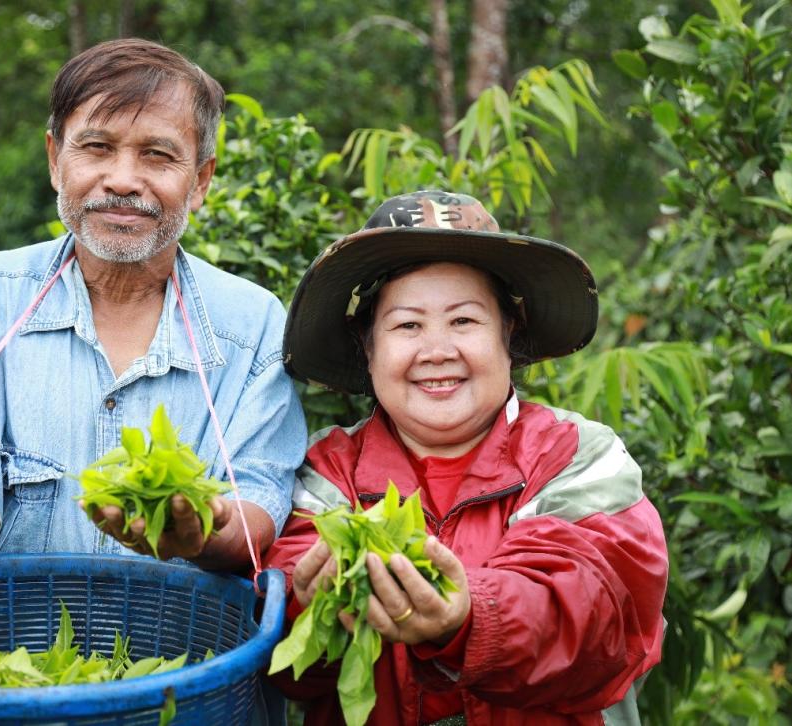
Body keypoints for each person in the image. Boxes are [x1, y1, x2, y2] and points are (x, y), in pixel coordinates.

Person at [0, 38, 307, 573]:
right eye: (96, 147)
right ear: (55, 161)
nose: (123, 180)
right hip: (6, 647)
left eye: (157, 155)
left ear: (200, 180)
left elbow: (257, 508)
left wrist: (206, 528)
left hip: (190, 653)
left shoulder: (253, 327)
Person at [265, 190, 668, 725]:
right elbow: (283, 656)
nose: (437, 350)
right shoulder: (327, 473)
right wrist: (303, 605)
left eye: (464, 322)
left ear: (509, 334)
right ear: (368, 347)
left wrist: (471, 615)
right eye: (407, 325)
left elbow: (602, 618)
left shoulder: (577, 455)